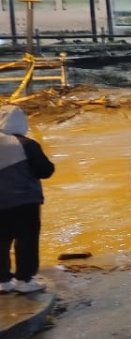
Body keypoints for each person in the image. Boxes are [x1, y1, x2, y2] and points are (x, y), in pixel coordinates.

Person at [0, 105, 55, 294]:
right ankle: (24, 279)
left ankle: (3, 281)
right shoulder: (26, 144)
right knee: (26, 240)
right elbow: (45, 170)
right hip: (24, 201)